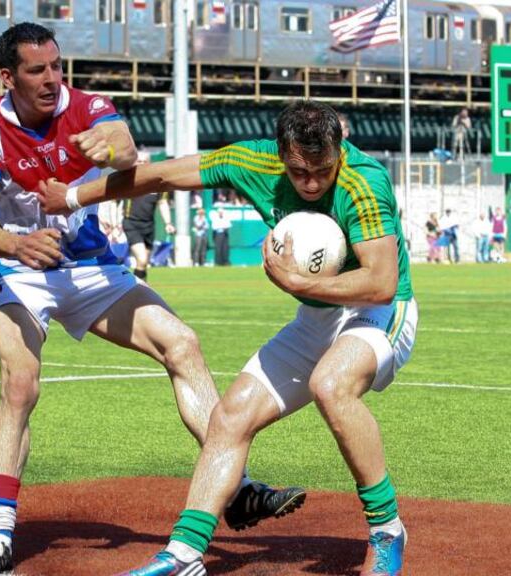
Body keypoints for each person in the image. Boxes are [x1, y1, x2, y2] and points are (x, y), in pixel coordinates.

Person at [0, 22, 300, 576]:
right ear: (7, 77)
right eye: (36, 71)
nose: (51, 79)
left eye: (56, 66)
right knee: (19, 380)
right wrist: (18, 243)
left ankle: (233, 488)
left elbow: (125, 146)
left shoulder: (87, 105)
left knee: (182, 344)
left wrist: (110, 147)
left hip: (92, 266)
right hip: (21, 270)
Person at [38, 100, 417, 576]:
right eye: (300, 172)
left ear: (339, 151)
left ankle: (386, 529)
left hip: (381, 311)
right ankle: (184, 554)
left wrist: (300, 285)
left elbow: (380, 282)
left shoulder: (364, 181)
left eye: (323, 170)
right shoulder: (250, 161)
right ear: (281, 153)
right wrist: (72, 200)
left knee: (331, 385)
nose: (314, 183)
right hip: (318, 316)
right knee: (229, 416)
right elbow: (159, 176)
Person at [122, 151, 175, 281]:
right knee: (142, 259)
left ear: (149, 163)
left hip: (149, 227)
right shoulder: (126, 180)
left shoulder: (157, 183)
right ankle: (135, 290)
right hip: (131, 224)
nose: (140, 164)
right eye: (138, 161)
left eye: (143, 161)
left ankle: (140, 289)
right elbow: (113, 201)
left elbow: (162, 203)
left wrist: (168, 223)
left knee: (143, 264)